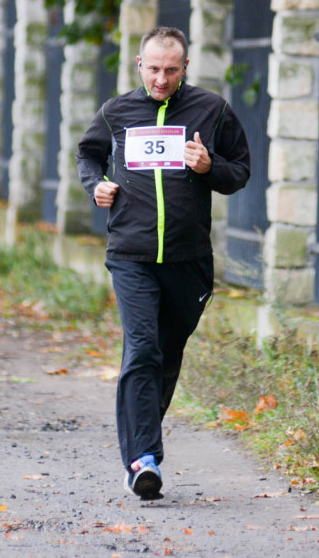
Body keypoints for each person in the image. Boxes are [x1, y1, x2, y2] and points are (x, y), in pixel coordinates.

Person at [76, 27, 251, 500]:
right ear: (139, 64)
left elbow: (240, 171)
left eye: (171, 70)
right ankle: (143, 460)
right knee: (143, 349)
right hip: (130, 255)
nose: (161, 78)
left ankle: (142, 442)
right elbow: (88, 155)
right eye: (153, 69)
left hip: (188, 259)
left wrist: (208, 166)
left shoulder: (211, 110)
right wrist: (96, 185)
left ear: (185, 68)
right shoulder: (117, 112)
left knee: (167, 355)